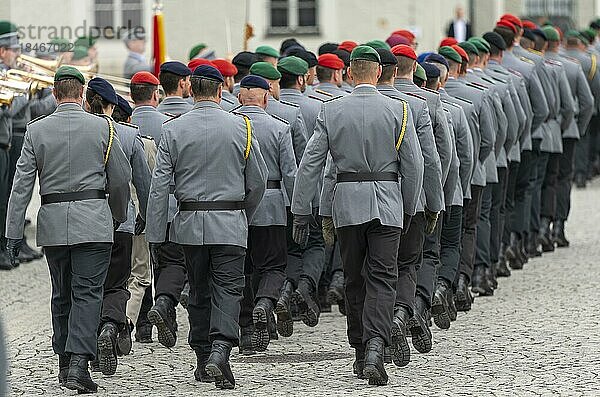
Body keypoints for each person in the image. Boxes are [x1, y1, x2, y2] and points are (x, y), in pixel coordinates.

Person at [291, 45, 424, 386]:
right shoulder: (400, 110)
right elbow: (414, 165)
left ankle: (361, 350)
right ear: (379, 73)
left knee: (354, 278)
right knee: (383, 276)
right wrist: (408, 207)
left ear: (350, 73)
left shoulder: (331, 110)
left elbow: (311, 165)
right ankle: (378, 346)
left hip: (347, 203)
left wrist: (302, 210)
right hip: (387, 203)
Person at [5, 65, 131, 393]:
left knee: (61, 294)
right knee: (88, 293)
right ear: (81, 93)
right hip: (94, 221)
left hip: (54, 223)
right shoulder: (104, 128)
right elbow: (120, 179)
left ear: (55, 93)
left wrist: (13, 232)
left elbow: (21, 186)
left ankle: (64, 363)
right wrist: (116, 216)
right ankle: (78, 364)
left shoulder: (35, 130)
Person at [146, 64, 267, 389]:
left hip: (189, 223)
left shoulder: (173, 129)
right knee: (228, 289)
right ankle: (220, 348)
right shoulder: (241, 127)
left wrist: (156, 234)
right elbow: (257, 181)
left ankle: (203, 356)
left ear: (192, 91)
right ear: (218, 92)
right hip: (229, 222)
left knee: (198, 290)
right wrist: (244, 214)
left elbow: (160, 187)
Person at [375, 47, 443, 362]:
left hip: (373, 201)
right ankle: (402, 316)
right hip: (410, 200)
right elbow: (431, 160)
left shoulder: (357, 104)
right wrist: (434, 203)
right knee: (408, 264)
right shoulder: (420, 103)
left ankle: (376, 338)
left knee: (375, 269)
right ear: (413, 68)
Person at [84, 78, 151, 376]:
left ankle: (90, 349)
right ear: (112, 106)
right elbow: (143, 183)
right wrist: (147, 216)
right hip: (122, 221)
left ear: (88, 103)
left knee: (87, 286)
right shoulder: (128, 135)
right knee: (117, 284)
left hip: (87, 221)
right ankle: (111, 325)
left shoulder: (80, 131)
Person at [235, 74, 297, 353]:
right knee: (273, 264)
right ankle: (265, 301)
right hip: (272, 204)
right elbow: (290, 173)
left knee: (244, 268)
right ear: (266, 97)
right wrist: (299, 208)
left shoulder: (231, 124)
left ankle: (247, 327)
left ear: (239, 98)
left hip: (237, 205)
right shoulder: (279, 128)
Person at [275, 56, 326, 336]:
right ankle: (305, 285)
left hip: (274, 196)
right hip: (309, 191)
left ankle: (284, 290)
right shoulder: (316, 106)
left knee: (289, 250)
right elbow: (311, 157)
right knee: (315, 246)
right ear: (302, 78)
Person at [0, 20, 35, 270]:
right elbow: (11, 111)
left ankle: (9, 246)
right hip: (8, 139)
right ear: (3, 51)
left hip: (7, 139)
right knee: (3, 200)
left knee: (8, 198)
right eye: (13, 49)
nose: (18, 54)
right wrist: (28, 93)